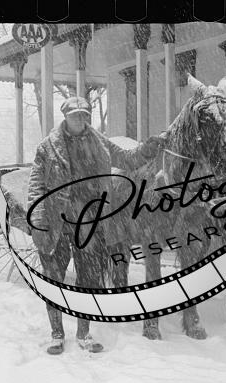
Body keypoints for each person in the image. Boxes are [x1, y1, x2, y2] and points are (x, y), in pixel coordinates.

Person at [27, 97, 164, 355]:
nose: (80, 119)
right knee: (55, 279)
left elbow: (127, 158)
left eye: (84, 114)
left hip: (90, 221)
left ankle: (84, 333)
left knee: (88, 280)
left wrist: (147, 149)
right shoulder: (47, 147)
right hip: (58, 221)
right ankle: (57, 334)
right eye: (75, 115)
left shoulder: (99, 142)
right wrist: (38, 221)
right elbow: (36, 186)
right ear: (65, 116)